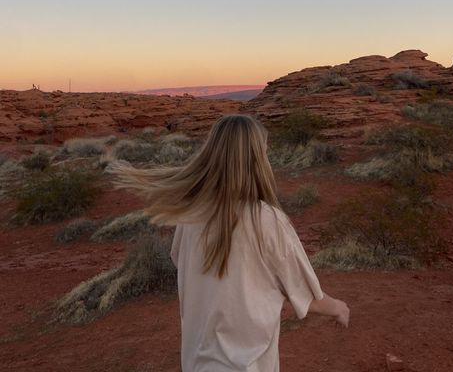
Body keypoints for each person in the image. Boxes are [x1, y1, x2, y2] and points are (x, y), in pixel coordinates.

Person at [109, 114, 349, 371]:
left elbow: (182, 263)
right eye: (264, 153)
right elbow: (306, 294)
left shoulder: (190, 216)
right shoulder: (267, 220)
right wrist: (339, 308)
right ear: (256, 160)